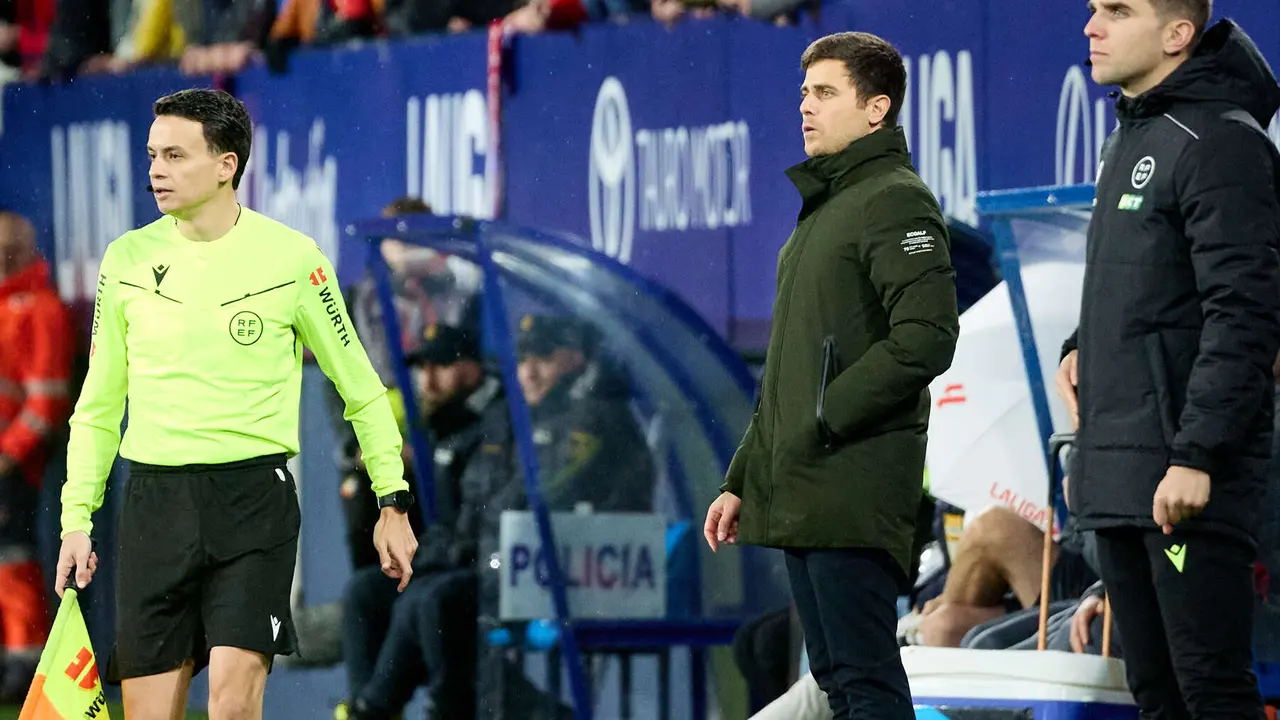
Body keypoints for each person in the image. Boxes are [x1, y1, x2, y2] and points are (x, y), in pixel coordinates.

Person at [53, 88, 418, 720]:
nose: (156, 171)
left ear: (227, 165)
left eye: (175, 155)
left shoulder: (293, 259)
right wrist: (76, 518)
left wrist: (393, 500)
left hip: (253, 505)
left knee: (231, 703)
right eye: (152, 155)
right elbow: (98, 404)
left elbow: (361, 387)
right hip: (154, 506)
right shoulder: (127, 259)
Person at [704, 31, 959, 720]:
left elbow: (927, 337)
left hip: (854, 486)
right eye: (803, 93)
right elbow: (788, 370)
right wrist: (742, 477)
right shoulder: (827, 208)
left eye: (824, 92)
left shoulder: (894, 200)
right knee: (839, 685)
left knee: (864, 684)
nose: (805, 107)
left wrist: (825, 414)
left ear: (877, 109)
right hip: (810, 487)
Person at [1055, 3, 1280, 717]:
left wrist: (1198, 455)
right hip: (1121, 473)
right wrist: (1080, 347)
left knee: (1209, 690)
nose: (1092, 26)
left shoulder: (1222, 142)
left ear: (1178, 34)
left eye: (1117, 10)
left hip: (1183, 481)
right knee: (1156, 697)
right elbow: (1149, 284)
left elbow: (1244, 315)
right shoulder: (1130, 136)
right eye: (1094, 9)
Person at [338, 323, 504, 720]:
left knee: (427, 598)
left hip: (481, 567)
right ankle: (368, 704)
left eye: (441, 365)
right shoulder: (436, 421)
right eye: (422, 367)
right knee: (365, 590)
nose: (427, 379)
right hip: (443, 561)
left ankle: (372, 709)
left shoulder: (496, 421)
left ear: (472, 368)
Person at [0, 211, 73, 702]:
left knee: (12, 561)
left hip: (14, 465)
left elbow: (47, 399)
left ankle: (26, 665)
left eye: (10, 249)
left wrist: (8, 456)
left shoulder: (41, 309)